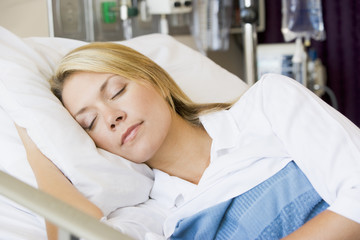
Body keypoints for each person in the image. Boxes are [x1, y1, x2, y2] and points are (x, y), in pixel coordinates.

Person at [16, 42, 360, 240]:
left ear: (155, 80)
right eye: (89, 123)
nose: (111, 117)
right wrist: (36, 146)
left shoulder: (268, 106)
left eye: (117, 90)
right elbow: (76, 235)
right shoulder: (157, 217)